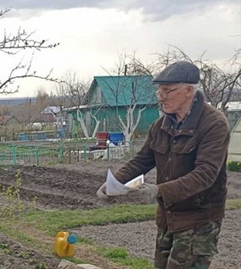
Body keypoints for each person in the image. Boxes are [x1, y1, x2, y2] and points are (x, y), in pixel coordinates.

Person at [97, 61, 230, 269]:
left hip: (198, 219)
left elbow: (205, 174)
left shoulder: (214, 124)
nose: (161, 97)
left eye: (167, 91)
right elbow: (142, 160)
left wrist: (158, 190)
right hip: (168, 218)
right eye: (159, 91)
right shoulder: (161, 125)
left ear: (188, 90)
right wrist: (115, 182)